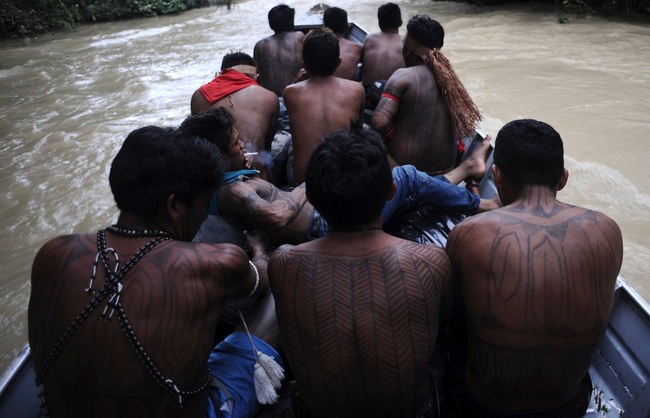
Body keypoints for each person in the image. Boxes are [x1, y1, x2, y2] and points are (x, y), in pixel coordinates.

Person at [28, 125, 281, 418]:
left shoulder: (52, 254)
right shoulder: (215, 263)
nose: (202, 217)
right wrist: (260, 249)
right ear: (174, 205)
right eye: (202, 205)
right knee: (283, 278)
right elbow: (262, 279)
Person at [268, 127, 453, 417]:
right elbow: (443, 317)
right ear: (392, 191)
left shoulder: (283, 263)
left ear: (313, 200)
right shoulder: (429, 262)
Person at [444, 119, 623, 418]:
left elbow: (454, 313)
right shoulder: (607, 230)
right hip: (567, 405)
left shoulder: (469, 233)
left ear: (497, 176)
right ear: (563, 178)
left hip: (483, 405)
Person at [180, 108, 500, 248]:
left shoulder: (221, 184)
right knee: (407, 176)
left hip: (321, 217)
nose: (242, 144)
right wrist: (308, 187)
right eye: (235, 141)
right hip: (324, 225)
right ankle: (483, 202)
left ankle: (464, 170)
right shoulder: (232, 190)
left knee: (407, 189)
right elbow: (276, 215)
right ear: (219, 154)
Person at [370, 14, 482, 174]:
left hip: (406, 172)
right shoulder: (452, 81)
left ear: (408, 51)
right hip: (445, 169)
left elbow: (379, 122)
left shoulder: (403, 76)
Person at [283, 29, 365, 186]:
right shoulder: (357, 89)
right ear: (338, 63)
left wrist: (296, 81)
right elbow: (358, 131)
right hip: (346, 176)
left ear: (304, 66)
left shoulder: (290, 92)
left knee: (287, 143)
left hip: (304, 180)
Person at [191, 51, 279, 181]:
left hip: (213, 180)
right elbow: (266, 149)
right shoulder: (268, 96)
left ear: (221, 74)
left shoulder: (198, 95)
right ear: (254, 77)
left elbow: (196, 142)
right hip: (256, 178)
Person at [253, 4, 305, 97]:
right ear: (291, 21)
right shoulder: (299, 37)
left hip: (268, 100)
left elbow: (255, 73)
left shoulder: (260, 45)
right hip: (292, 98)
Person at [361, 2, 406, 88]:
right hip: (393, 94)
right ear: (400, 23)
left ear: (379, 24)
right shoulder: (406, 43)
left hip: (369, 92)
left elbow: (363, 63)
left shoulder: (369, 39)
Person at [322, 6, 363, 80]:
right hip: (346, 88)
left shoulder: (312, 45)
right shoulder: (358, 47)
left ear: (324, 27)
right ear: (346, 27)